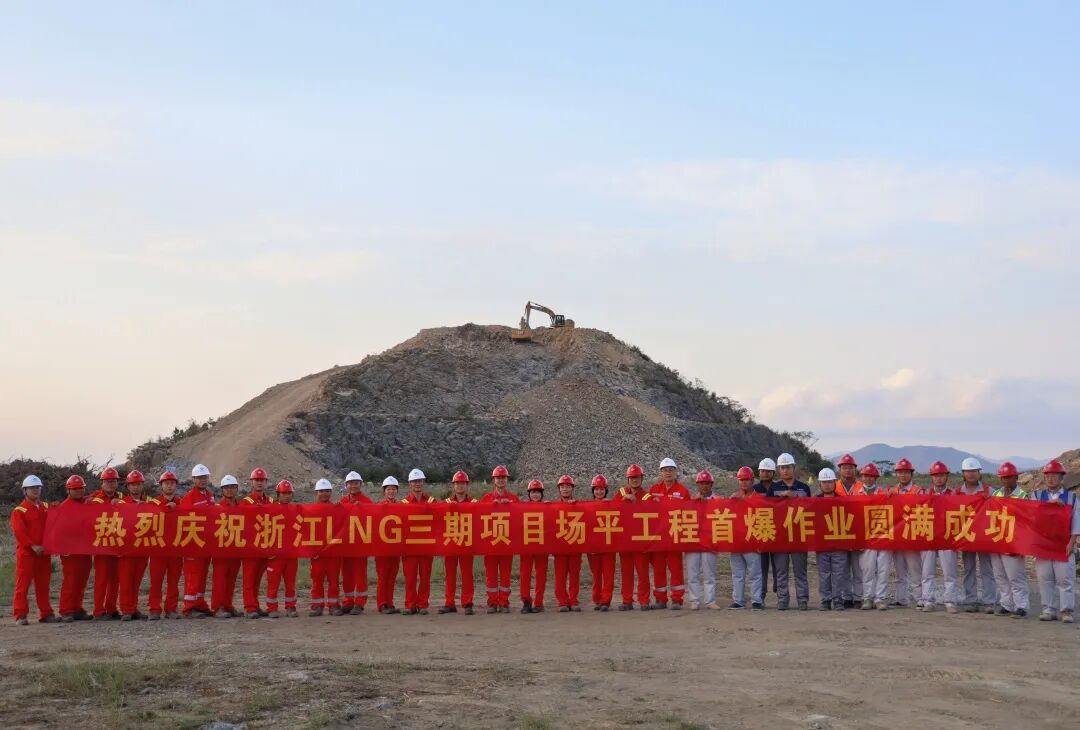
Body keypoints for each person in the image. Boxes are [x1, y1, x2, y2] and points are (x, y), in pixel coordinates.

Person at [1033, 459, 1079, 623]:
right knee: (1045, 579)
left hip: (1063, 545)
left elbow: (1076, 522)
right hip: (1043, 545)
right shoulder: (1037, 496)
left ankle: (1066, 611)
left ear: (1061, 477)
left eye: (1054, 475)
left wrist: (1071, 543)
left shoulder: (1072, 498)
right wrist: (1048, 504)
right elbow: (1030, 515)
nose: (1050, 479)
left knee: (1065, 580)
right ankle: (1048, 609)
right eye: (1048, 476)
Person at [767, 453, 812, 610]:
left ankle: (802, 600)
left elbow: (811, 509)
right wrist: (780, 498)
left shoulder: (804, 488)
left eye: (788, 467)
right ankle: (783, 600)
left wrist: (796, 499)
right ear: (779, 470)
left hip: (799, 535)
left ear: (794, 468)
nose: (785, 470)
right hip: (780, 536)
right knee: (781, 571)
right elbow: (766, 509)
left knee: (800, 571)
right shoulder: (773, 488)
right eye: (782, 468)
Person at [10, 475, 55, 625]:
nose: (35, 490)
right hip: (27, 554)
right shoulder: (19, 511)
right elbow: (19, 532)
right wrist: (32, 546)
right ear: (25, 491)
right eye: (32, 488)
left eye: (38, 487)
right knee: (22, 585)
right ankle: (20, 615)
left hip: (44, 553)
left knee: (43, 585)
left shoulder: (46, 507)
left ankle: (46, 614)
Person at [956, 457, 998, 613]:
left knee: (987, 568)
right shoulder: (957, 493)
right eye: (968, 471)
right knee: (969, 569)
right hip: (966, 535)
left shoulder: (989, 491)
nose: (971, 474)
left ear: (979, 473)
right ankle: (971, 599)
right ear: (963, 473)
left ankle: (989, 601)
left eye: (974, 471)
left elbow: (999, 509)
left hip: (984, 536)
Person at [648, 457, 690, 609]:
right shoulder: (653, 490)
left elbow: (689, 512)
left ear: (676, 472)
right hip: (658, 537)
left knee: (676, 568)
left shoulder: (683, 491)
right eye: (665, 470)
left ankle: (677, 599)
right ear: (661, 473)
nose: (668, 473)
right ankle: (661, 600)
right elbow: (644, 508)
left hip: (674, 535)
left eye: (671, 470)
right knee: (658, 569)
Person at [989, 462, 1030, 618]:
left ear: (1016, 478)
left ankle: (1021, 606)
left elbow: (1026, 521)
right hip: (998, 540)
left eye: (1009, 477)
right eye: (1003, 478)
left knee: (1015, 576)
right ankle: (1006, 604)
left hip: (1014, 542)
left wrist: (1020, 543)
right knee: (1000, 576)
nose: (1006, 480)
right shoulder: (996, 494)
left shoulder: (1022, 495)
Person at [919, 461, 959, 614]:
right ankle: (928, 600)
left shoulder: (954, 495)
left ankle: (950, 602)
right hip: (928, 537)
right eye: (936, 475)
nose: (939, 478)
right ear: (932, 477)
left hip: (947, 538)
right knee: (927, 572)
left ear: (946, 477)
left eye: (941, 475)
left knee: (949, 572)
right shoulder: (924, 494)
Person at [480, 465, 518, 613]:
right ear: (493, 480)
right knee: (491, 575)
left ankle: (504, 602)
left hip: (507, 543)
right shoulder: (486, 499)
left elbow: (521, 518)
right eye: (498, 478)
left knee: (505, 575)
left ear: (506, 480)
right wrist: (491, 506)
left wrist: (511, 507)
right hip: (490, 544)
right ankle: (492, 602)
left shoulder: (514, 499)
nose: (501, 480)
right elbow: (478, 519)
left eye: (503, 478)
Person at [616, 464, 653, 610]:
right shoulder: (620, 493)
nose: (634, 480)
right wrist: (623, 501)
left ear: (642, 478)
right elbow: (612, 510)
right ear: (628, 479)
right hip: (624, 541)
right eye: (631, 478)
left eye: (637, 477)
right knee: (626, 572)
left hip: (640, 541)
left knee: (642, 572)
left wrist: (635, 503)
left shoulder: (647, 496)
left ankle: (644, 600)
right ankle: (627, 601)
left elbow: (651, 514)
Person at [58, 475, 94, 622]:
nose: (79, 491)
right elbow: (58, 530)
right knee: (71, 580)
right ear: (68, 490)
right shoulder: (64, 507)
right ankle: (66, 610)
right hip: (70, 552)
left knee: (81, 580)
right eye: (75, 489)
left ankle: (77, 608)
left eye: (81, 488)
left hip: (84, 550)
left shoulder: (86, 502)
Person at [148, 470, 183, 620]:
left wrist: (177, 508)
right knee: (156, 581)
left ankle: (171, 609)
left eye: (172, 483)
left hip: (176, 548)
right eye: (166, 483)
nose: (169, 486)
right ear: (161, 486)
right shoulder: (153, 503)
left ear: (176, 486)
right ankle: (154, 609)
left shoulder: (182, 503)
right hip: (158, 549)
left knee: (173, 581)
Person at [181, 463, 215, 617]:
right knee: (192, 576)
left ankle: (199, 603)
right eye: (199, 478)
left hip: (206, 543)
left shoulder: (209, 494)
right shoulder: (189, 497)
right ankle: (189, 608)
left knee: (202, 575)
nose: (202, 480)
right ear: (193, 479)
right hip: (193, 542)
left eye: (205, 477)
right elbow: (183, 521)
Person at [440, 470, 476, 615]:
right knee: (450, 574)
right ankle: (449, 603)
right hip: (451, 543)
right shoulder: (446, 503)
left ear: (467, 485)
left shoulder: (475, 504)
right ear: (453, 486)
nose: (460, 486)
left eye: (463, 483)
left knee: (467, 575)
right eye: (457, 483)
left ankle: (467, 603)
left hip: (467, 543)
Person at [401, 468, 436, 615]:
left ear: (423, 482)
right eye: (414, 481)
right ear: (410, 484)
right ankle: (410, 604)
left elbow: (441, 519)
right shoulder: (403, 503)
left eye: (420, 481)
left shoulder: (432, 502)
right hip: (409, 547)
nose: (417, 483)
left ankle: (422, 604)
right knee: (410, 578)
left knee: (425, 577)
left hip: (427, 546)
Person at [89, 466, 123, 620]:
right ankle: (98, 610)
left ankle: (111, 608)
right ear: (102, 483)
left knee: (115, 579)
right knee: (101, 579)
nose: (110, 484)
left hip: (117, 544)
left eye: (113, 481)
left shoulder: (121, 497)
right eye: (107, 481)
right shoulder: (95, 499)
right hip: (102, 546)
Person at [856, 464, 891, 610]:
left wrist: (891, 497)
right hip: (866, 538)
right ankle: (867, 598)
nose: (868, 479)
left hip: (884, 536)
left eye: (871, 476)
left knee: (883, 569)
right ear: (862, 477)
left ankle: (880, 598)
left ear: (876, 478)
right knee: (867, 569)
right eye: (866, 476)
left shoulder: (884, 494)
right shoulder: (856, 495)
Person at [729, 467, 764, 610]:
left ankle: (756, 601)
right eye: (741, 480)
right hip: (737, 542)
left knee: (755, 573)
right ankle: (738, 601)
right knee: (737, 574)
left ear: (752, 480)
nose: (744, 482)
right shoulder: (734, 497)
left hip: (752, 541)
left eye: (747, 480)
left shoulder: (759, 498)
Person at [117, 470, 150, 621]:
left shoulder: (150, 502)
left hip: (142, 548)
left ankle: (134, 607)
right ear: (128, 487)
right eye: (133, 485)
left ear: (142, 486)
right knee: (126, 580)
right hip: (127, 549)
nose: (136, 487)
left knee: (137, 580)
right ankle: (126, 609)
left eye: (138, 484)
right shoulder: (122, 503)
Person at [684, 470, 719, 610]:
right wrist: (693, 502)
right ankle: (694, 600)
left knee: (709, 573)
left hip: (710, 540)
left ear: (711, 484)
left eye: (707, 483)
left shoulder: (718, 500)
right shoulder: (691, 500)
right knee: (693, 573)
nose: (704, 486)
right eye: (701, 483)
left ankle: (710, 601)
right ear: (697, 485)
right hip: (693, 540)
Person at [891, 458, 923, 609]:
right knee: (899, 571)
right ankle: (901, 598)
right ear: (897, 474)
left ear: (911, 474)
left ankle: (920, 598)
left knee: (915, 570)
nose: (903, 475)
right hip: (897, 537)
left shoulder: (918, 491)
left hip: (911, 536)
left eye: (906, 472)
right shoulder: (892, 491)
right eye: (900, 472)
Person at [339, 470, 372, 616]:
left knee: (360, 575)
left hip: (360, 545)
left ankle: (359, 603)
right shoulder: (342, 502)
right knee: (347, 575)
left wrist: (363, 509)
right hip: (345, 545)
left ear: (361, 484)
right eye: (350, 483)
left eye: (356, 483)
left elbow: (373, 520)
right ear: (346, 485)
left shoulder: (367, 502)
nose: (353, 486)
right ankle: (348, 601)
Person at [240, 467, 272, 619]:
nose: (259, 483)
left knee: (258, 578)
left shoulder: (270, 501)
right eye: (257, 480)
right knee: (249, 578)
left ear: (266, 482)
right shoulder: (245, 502)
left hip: (265, 546)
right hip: (251, 547)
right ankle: (249, 607)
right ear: (251, 482)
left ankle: (255, 605)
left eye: (262, 480)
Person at [815, 469, 849, 611]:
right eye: (824, 482)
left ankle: (838, 600)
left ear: (835, 483)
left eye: (830, 482)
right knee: (824, 574)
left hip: (839, 544)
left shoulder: (843, 500)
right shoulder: (814, 501)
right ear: (820, 484)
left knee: (839, 574)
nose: (827, 485)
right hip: (821, 545)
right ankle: (826, 600)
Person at [265, 479, 299, 618]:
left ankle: (291, 607)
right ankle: (272, 608)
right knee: (273, 583)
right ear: (278, 495)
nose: (286, 496)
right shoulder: (270, 510)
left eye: (289, 493)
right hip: (275, 555)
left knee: (290, 583)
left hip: (291, 554)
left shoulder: (296, 510)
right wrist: (268, 551)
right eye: (284, 493)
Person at [211, 475, 243, 618]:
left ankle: (228, 605)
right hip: (221, 551)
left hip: (236, 549)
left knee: (231, 579)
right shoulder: (217, 508)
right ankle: (217, 607)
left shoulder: (241, 507)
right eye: (227, 487)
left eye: (233, 487)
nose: (230, 490)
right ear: (222, 490)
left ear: (237, 489)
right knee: (220, 579)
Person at [309, 478, 342, 616]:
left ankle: (333, 606)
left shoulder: (337, 509)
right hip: (317, 554)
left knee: (333, 580)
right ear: (316, 492)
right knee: (317, 580)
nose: (324, 493)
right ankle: (317, 606)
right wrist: (310, 551)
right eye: (321, 491)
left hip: (333, 552)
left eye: (327, 491)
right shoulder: (310, 510)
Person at [834, 454, 863, 608]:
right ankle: (846, 597)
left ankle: (858, 597)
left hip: (858, 531)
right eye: (844, 468)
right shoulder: (834, 487)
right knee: (843, 568)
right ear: (839, 470)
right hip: (839, 531)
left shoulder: (862, 487)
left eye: (850, 468)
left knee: (858, 568)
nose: (847, 471)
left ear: (855, 469)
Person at [585, 474, 616, 611]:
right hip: (593, 547)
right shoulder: (587, 506)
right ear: (593, 491)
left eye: (602, 489)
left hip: (608, 546)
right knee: (596, 576)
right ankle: (597, 600)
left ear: (606, 490)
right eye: (596, 489)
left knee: (608, 575)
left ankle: (605, 601)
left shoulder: (611, 505)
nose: (599, 492)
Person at [552, 475, 582, 612]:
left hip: (575, 546)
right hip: (560, 548)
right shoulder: (553, 507)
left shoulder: (579, 505)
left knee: (574, 576)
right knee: (560, 577)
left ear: (572, 489)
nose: (565, 489)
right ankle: (562, 602)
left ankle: (574, 600)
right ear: (559, 489)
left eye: (568, 486)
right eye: (562, 487)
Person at [519, 479, 549, 614]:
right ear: (529, 494)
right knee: (525, 574)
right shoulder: (522, 508)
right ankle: (526, 601)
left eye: (537, 492)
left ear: (541, 494)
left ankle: (538, 602)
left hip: (542, 546)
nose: (535, 494)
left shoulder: (548, 508)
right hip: (526, 546)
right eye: (532, 492)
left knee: (541, 575)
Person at [374, 476, 402, 614]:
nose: (391, 492)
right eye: (388, 489)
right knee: (383, 576)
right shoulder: (378, 507)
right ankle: (382, 604)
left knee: (392, 577)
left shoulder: (401, 507)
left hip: (395, 548)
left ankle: (390, 603)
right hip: (382, 549)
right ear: (384, 491)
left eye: (393, 489)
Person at [755, 457, 777, 602]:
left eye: (768, 471)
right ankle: (761, 595)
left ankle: (779, 591)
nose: (765, 473)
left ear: (773, 473)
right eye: (763, 471)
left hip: (776, 532)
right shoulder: (755, 489)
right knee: (761, 567)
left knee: (778, 566)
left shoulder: (779, 488)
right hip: (761, 532)